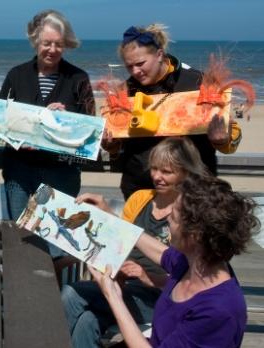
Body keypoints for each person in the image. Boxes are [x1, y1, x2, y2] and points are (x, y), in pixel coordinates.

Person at [61, 137, 210, 348]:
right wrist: (103, 217)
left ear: (186, 172)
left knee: (71, 294)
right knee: (87, 320)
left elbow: (190, 278)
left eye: (166, 172)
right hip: (125, 286)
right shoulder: (141, 198)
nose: (157, 177)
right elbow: (120, 242)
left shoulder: (190, 212)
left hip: (162, 296)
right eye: (154, 169)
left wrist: (145, 276)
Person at [88, 173, 259, 347]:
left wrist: (113, 296)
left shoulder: (217, 310)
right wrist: (111, 218)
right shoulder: (194, 262)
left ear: (195, 235)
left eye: (175, 216)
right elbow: (157, 249)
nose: (168, 217)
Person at [103, 23, 241, 200]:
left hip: (194, 193)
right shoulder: (124, 91)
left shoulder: (199, 82)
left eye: (140, 63)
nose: (135, 71)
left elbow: (233, 137)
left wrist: (223, 140)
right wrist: (111, 145)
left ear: (159, 54)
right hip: (141, 192)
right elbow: (118, 146)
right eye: (129, 66)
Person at [0, 10, 95, 220]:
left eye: (58, 44)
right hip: (19, 171)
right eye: (46, 43)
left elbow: (90, 130)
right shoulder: (17, 75)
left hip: (61, 172)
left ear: (66, 44)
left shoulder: (78, 78)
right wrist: (18, 138)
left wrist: (67, 120)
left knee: (57, 235)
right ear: (35, 42)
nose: (52, 49)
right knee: (20, 235)